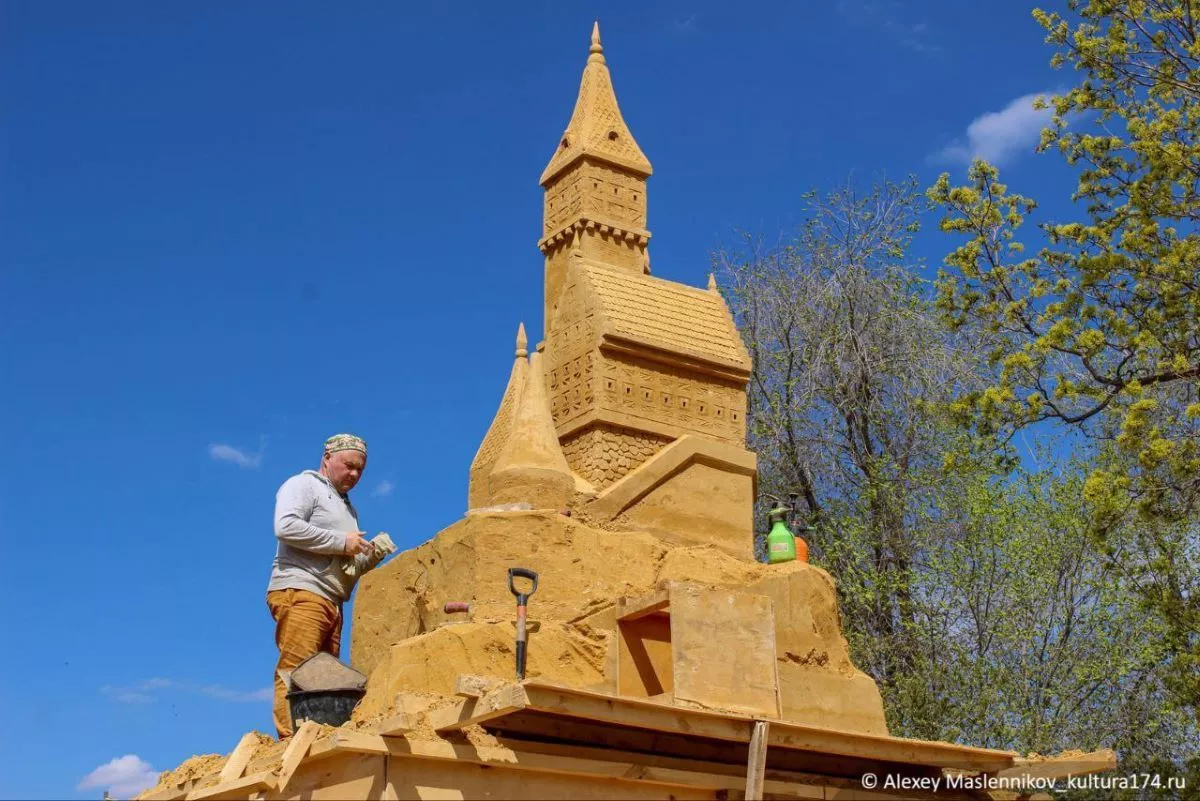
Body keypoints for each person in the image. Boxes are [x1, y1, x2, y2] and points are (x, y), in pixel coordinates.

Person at [266, 433, 396, 738]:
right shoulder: (304, 485)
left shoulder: (347, 508)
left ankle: (315, 734)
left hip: (331, 599)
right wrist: (342, 541)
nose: (353, 474)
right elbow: (285, 526)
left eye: (359, 470)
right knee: (298, 669)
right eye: (348, 465)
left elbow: (344, 568)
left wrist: (371, 554)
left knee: (324, 676)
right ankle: (289, 739)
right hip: (303, 590)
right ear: (327, 458)